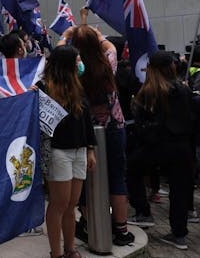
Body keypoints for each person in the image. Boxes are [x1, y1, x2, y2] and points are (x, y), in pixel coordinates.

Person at [59, 19, 134, 246]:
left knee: (85, 180)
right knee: (117, 177)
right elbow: (111, 47)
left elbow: (59, 56)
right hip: (114, 128)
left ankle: (89, 224)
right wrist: (97, 35)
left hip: (86, 134)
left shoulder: (73, 70)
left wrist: (66, 35)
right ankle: (121, 230)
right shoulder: (107, 64)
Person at [126, 51, 199, 250]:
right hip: (182, 147)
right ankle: (179, 234)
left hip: (157, 146)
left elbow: (144, 123)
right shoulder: (183, 90)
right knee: (180, 190)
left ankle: (143, 211)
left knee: (132, 169)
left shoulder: (150, 91)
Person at [40, 45, 96, 258]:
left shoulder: (77, 86)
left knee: (72, 204)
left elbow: (86, 121)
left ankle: (70, 248)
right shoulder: (43, 88)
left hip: (79, 150)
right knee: (59, 203)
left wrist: (90, 149)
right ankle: (56, 252)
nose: (80, 64)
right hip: (57, 151)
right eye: (77, 61)